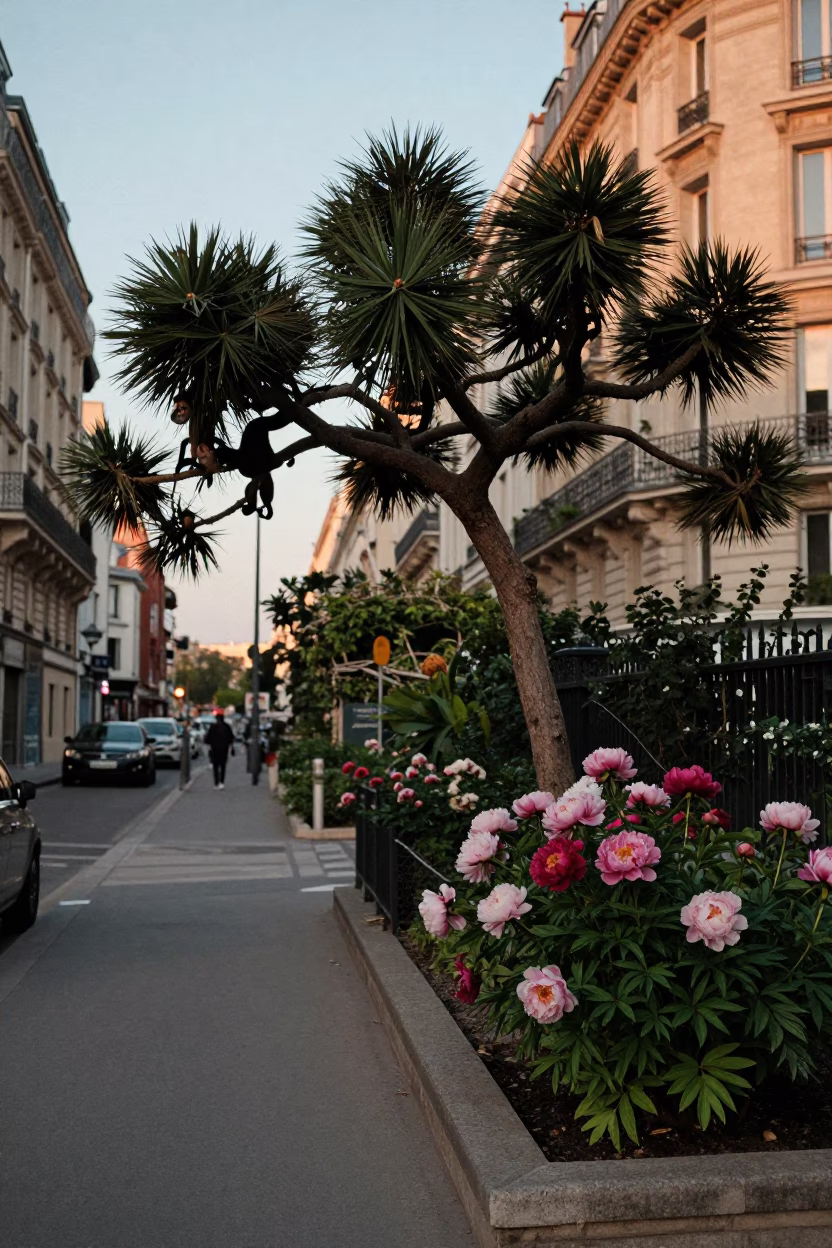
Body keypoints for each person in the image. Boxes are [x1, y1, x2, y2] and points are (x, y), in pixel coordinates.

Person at [205, 710, 235, 790]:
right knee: (223, 766)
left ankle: (216, 782)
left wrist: (211, 744)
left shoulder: (213, 727)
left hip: (214, 749)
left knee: (215, 766)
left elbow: (207, 739)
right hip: (224, 749)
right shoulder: (227, 727)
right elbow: (231, 738)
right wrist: (231, 746)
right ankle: (222, 782)